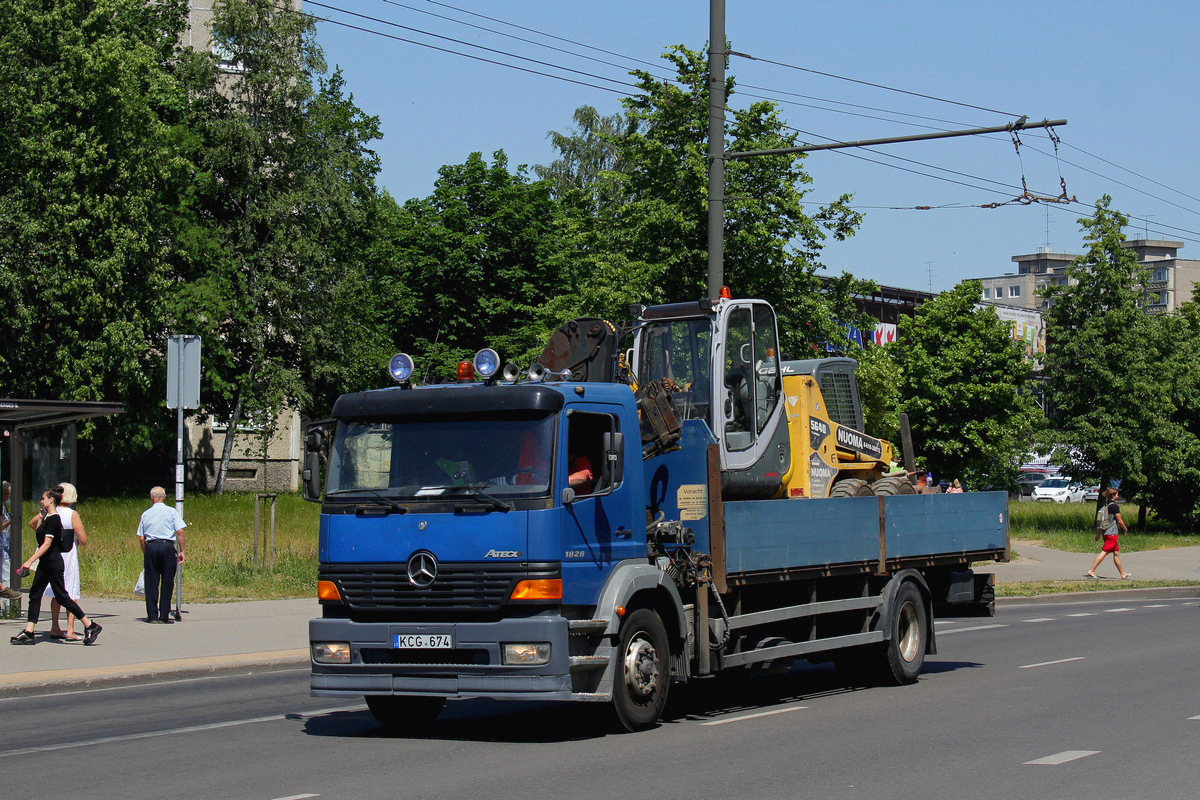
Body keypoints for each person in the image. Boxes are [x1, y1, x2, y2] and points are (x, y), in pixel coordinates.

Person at [9, 488, 102, 645]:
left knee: (62, 596)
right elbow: (38, 533)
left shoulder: (54, 520)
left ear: (51, 500)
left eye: (43, 498)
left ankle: (90, 625)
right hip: (45, 563)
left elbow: (46, 544)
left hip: (53, 562)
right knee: (35, 594)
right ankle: (29, 631)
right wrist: (40, 516)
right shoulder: (47, 518)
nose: (41, 500)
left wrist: (29, 561)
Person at [136, 486, 187, 623]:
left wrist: (146, 552)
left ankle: (152, 615)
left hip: (151, 546)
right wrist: (182, 551)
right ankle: (164, 615)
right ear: (164, 497)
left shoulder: (146, 514)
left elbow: (141, 538)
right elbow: (180, 531)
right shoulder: (171, 512)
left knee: (151, 581)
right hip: (167, 546)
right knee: (167, 581)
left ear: (151, 497)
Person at [45, 483, 87, 640]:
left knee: (56, 592)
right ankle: (70, 629)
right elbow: (83, 539)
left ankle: (55, 626)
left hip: (53, 555)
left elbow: (33, 524)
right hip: (68, 556)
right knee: (71, 592)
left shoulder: (50, 512)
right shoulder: (72, 514)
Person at [1085, 487, 1131, 580]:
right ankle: (1091, 570)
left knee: (1116, 553)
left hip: (1106, 532)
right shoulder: (1114, 506)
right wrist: (1125, 529)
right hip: (1112, 533)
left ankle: (1123, 573)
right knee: (1105, 551)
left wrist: (1098, 533)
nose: (1118, 496)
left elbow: (1101, 520)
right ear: (1113, 495)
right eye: (1117, 494)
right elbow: (1119, 520)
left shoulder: (1105, 505)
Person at [0, 481, 18, 601]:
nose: (9, 497)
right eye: (7, 494)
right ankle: (7, 605)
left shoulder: (4, 507)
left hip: (6, 544)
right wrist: (12, 520)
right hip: (2, 545)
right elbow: (1, 527)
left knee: (6, 571)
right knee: (6, 572)